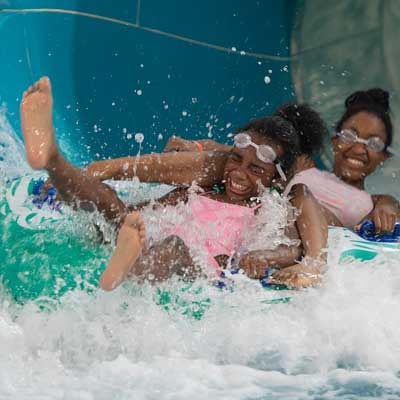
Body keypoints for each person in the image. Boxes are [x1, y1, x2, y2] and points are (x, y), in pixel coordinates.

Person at [20, 77, 328, 291]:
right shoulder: (203, 188)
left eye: (255, 170)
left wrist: (266, 257)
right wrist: (117, 215)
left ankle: (124, 270)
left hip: (199, 264)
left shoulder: (268, 209)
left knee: (175, 249)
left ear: (275, 179)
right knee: (107, 200)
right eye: (235, 160)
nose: (238, 173)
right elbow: (153, 208)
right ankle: (51, 157)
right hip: (144, 240)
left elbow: (289, 247)